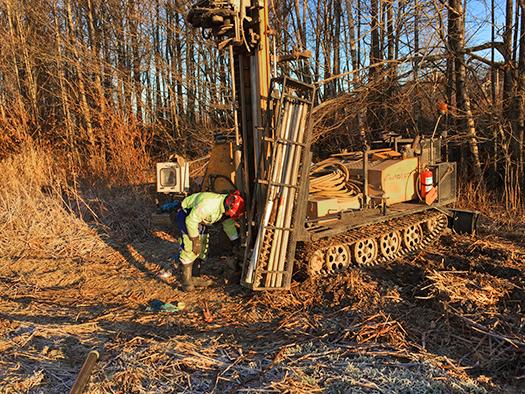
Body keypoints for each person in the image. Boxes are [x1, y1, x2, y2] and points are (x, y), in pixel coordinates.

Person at [162, 190, 245, 291]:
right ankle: (186, 281)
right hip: (187, 215)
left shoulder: (225, 210)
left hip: (201, 220)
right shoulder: (208, 205)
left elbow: (228, 224)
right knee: (190, 248)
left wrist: (235, 241)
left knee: (202, 247)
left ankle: (195, 277)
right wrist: (195, 239)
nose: (229, 216)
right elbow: (190, 220)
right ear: (228, 207)